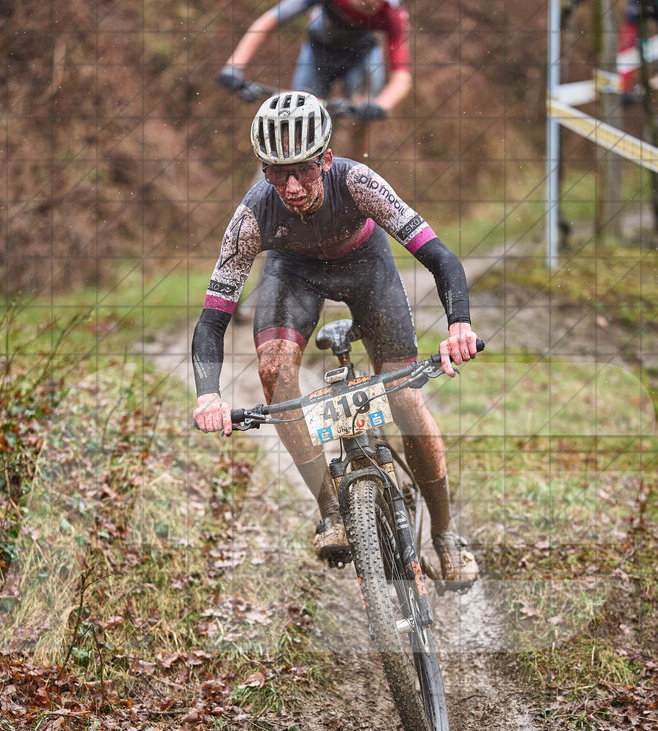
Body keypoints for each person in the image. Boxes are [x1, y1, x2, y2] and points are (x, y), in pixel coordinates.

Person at [192, 92, 479, 590]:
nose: (292, 185)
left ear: (325, 159)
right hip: (293, 274)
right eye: (276, 172)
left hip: (366, 268)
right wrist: (208, 392)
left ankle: (446, 535)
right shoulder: (251, 217)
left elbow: (441, 258)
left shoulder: (358, 183)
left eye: (302, 169)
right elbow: (213, 318)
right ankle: (331, 511)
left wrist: (459, 324)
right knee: (273, 374)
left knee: (405, 399)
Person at [218, 0, 412, 127]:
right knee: (298, 118)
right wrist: (234, 67)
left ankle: (359, 171)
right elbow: (269, 20)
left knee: (362, 114)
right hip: (319, 51)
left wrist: (380, 105)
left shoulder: (393, 12)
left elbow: (402, 77)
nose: (372, 3)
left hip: (361, 57)